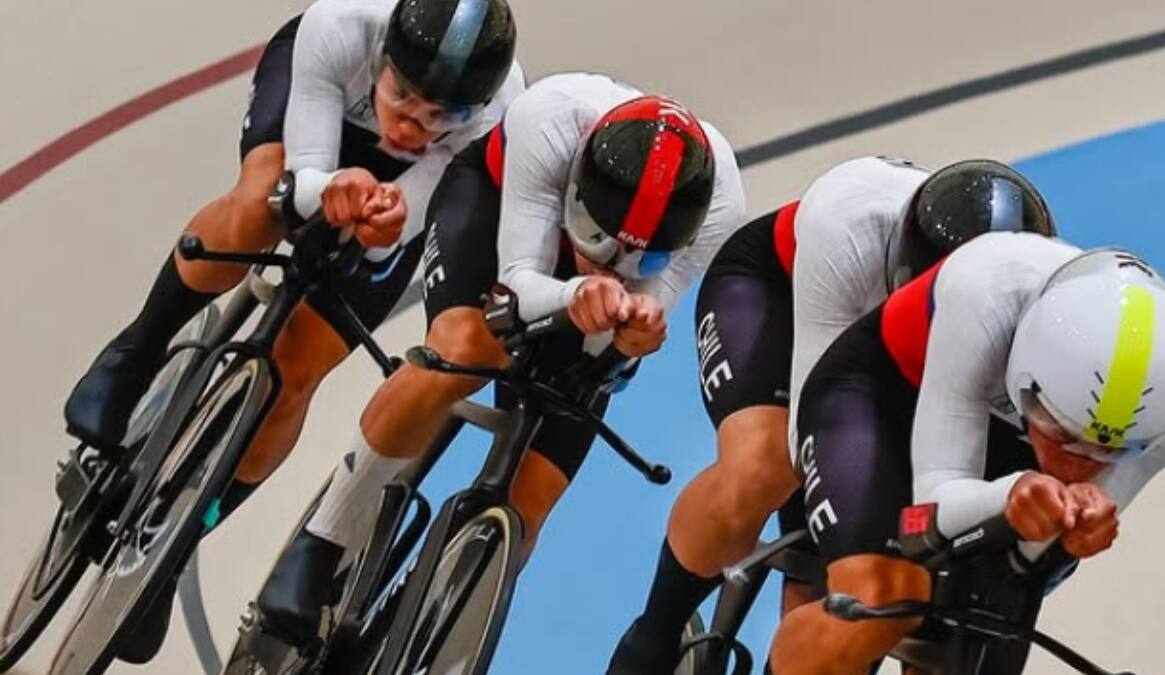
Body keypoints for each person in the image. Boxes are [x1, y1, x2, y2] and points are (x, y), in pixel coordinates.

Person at [63, 0, 522, 662]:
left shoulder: (498, 118)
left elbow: (414, 220)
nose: (412, 125)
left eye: (439, 117)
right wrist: (322, 190)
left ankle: (176, 545)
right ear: (383, 60)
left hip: (403, 193)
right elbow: (301, 176)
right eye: (402, 96)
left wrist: (379, 230)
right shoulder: (342, 26)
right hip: (321, 124)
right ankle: (135, 352)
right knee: (255, 207)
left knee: (296, 370)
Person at [251, 71, 747, 647]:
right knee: (461, 350)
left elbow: (621, 346)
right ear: (577, 186)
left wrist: (630, 338)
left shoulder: (719, 205)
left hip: (588, 298)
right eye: (597, 234)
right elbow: (516, 289)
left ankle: (425, 626)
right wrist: (574, 294)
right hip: (498, 216)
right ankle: (322, 541)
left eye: (641, 252)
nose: (605, 257)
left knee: (532, 497)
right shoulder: (551, 116)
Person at [607, 157, 1057, 674]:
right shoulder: (850, 222)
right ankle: (653, 639)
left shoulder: (1034, 314)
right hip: (781, 297)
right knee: (766, 466)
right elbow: (815, 424)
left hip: (903, 364)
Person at [770, 235, 1165, 675]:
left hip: (1009, 449)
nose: (1073, 465)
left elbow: (1027, 564)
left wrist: (1073, 534)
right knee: (883, 599)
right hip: (883, 399)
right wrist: (1012, 494)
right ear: (1024, 377)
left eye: (1108, 450)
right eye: (1061, 431)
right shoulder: (987, 289)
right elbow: (930, 510)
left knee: (982, 637)